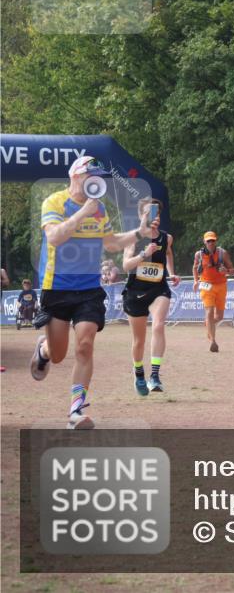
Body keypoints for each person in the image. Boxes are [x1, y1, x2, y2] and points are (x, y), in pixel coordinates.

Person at [30, 155, 156, 429]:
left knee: (85, 345)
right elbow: (54, 237)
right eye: (91, 175)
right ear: (76, 175)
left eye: (99, 176)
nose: (96, 181)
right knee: (59, 353)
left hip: (89, 288)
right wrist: (82, 213)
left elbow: (111, 243)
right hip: (57, 287)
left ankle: (76, 410)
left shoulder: (100, 209)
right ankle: (44, 349)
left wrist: (138, 233)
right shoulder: (54, 202)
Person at [121, 199, 180, 395]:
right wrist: (144, 254)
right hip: (135, 292)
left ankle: (154, 376)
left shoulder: (166, 238)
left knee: (159, 325)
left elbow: (169, 254)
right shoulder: (133, 238)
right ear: (140, 215)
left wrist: (171, 273)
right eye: (148, 213)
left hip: (158, 288)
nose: (153, 217)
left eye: (156, 213)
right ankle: (139, 372)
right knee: (139, 340)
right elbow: (126, 266)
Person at [192, 231, 234, 352]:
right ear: (204, 242)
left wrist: (226, 270)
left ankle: (209, 326)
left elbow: (233, 270)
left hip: (221, 285)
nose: (211, 243)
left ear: (216, 241)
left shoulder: (223, 253)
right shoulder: (198, 254)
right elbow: (194, 268)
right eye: (208, 241)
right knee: (209, 311)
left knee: (219, 316)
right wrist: (195, 281)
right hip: (206, 285)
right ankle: (213, 341)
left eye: (213, 240)